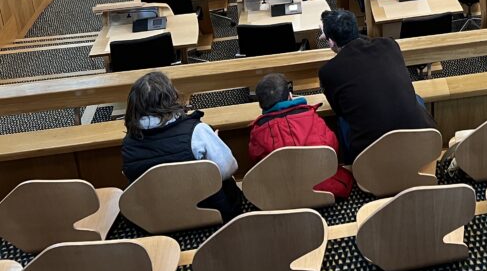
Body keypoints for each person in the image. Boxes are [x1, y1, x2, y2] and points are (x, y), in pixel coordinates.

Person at [121, 71, 242, 221]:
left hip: (155, 218)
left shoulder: (128, 144)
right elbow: (228, 170)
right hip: (207, 212)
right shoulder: (197, 131)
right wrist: (211, 157)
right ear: (171, 97)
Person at [318, 9, 436, 164]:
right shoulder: (389, 45)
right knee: (415, 98)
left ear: (331, 42)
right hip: (423, 142)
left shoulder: (328, 72)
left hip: (371, 157)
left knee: (341, 120)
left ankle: (349, 164)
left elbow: (339, 110)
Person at [248, 73, 354, 198]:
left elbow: (258, 163)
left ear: (260, 105)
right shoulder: (312, 117)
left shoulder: (258, 132)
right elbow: (332, 148)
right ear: (290, 96)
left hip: (281, 195)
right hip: (322, 188)